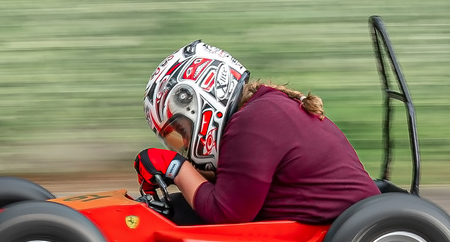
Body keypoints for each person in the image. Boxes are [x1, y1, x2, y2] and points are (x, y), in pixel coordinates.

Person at [134, 41, 379, 225]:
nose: (184, 143)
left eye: (181, 131)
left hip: (357, 235)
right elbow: (234, 187)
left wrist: (175, 166)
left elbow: (227, 215)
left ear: (201, 103)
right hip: (344, 226)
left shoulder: (254, 123)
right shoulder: (260, 110)